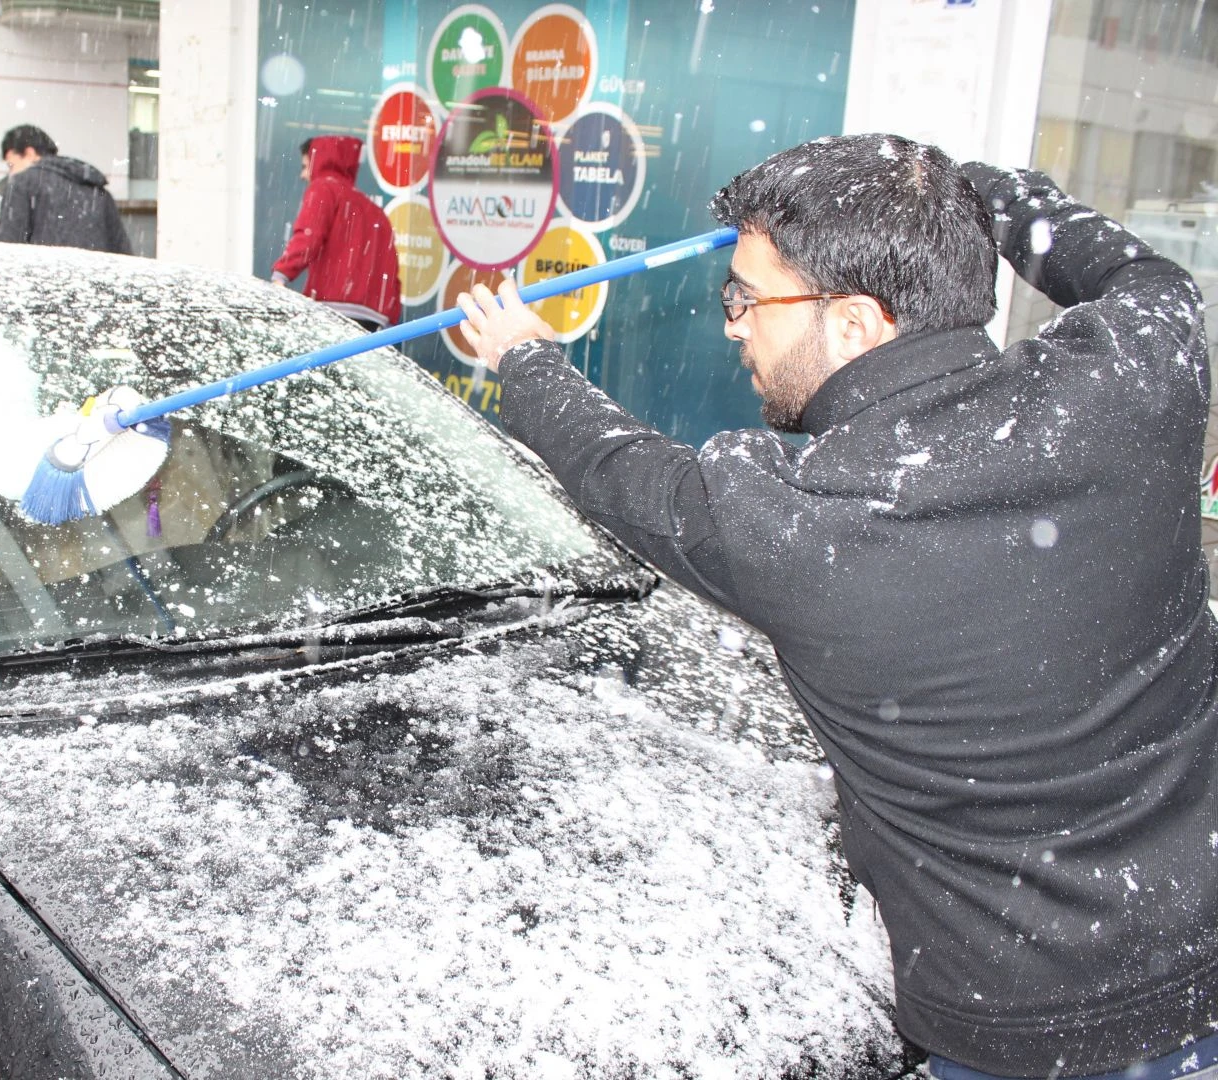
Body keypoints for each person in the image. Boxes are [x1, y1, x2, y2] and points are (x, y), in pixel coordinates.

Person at [456, 133, 1218, 1080]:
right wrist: (987, 197)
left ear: (856, 322)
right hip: (1201, 971)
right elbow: (1145, 278)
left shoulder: (791, 521)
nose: (732, 323)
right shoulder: (1137, 380)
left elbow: (615, 471)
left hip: (1010, 1041)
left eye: (747, 298)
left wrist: (524, 362)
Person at [271, 136, 402, 330]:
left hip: (332, 309)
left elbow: (309, 237)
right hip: (373, 319)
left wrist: (280, 275)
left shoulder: (323, 189)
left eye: (306, 166)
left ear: (319, 162)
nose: (303, 175)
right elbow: (390, 267)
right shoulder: (374, 211)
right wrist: (390, 314)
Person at [0, 124, 132, 255]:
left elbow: (10, 248)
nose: (11, 172)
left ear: (30, 153)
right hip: (95, 278)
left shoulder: (22, 183)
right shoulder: (96, 188)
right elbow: (122, 250)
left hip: (43, 278)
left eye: (11, 164)